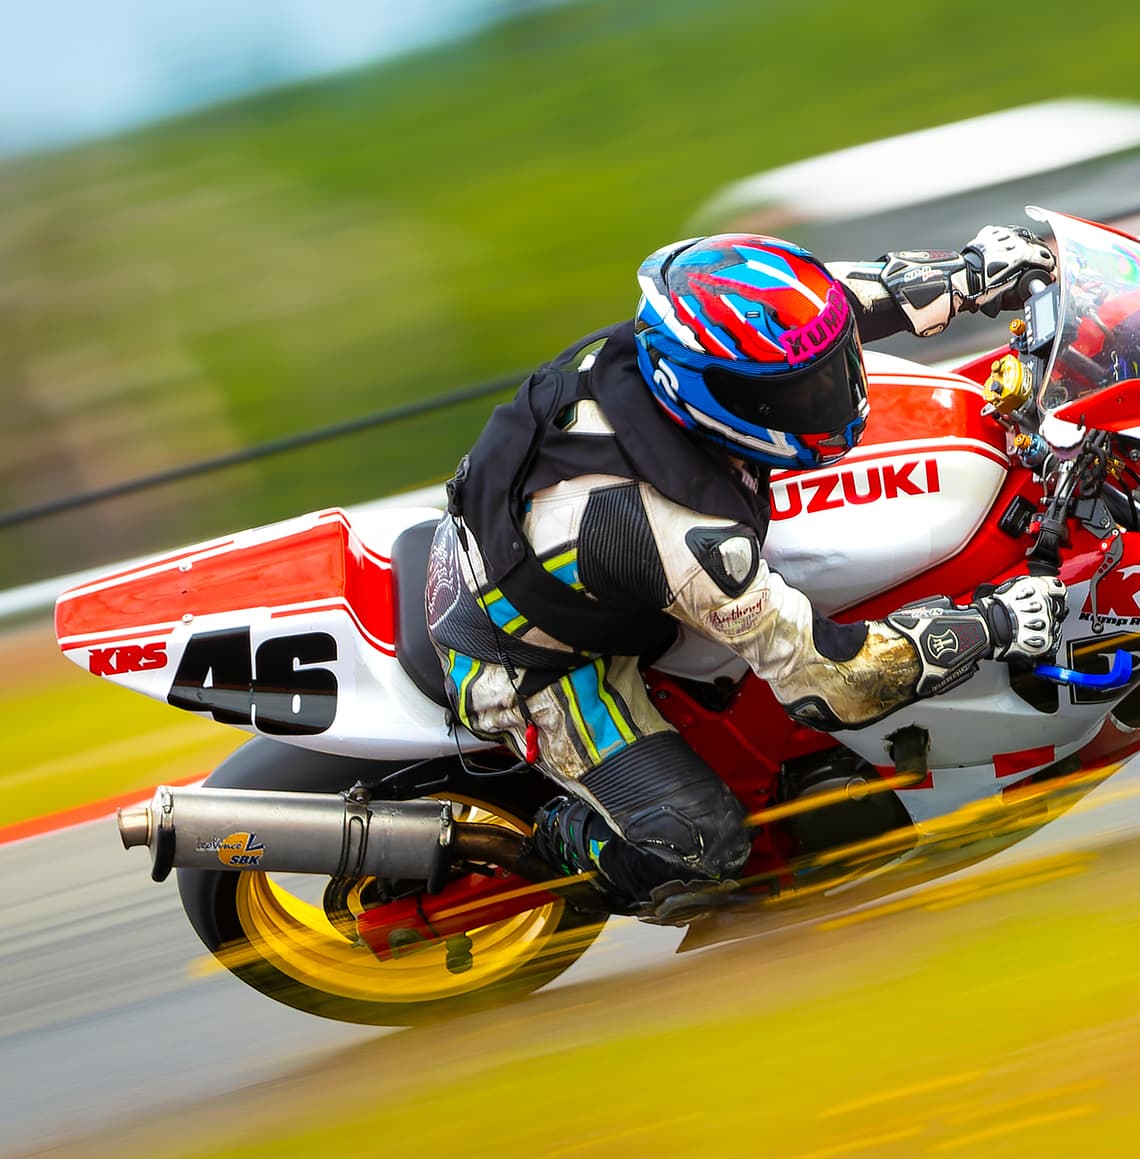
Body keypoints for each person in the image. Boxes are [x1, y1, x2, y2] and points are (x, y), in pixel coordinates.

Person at [425, 225, 1065, 921]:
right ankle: (557, 840)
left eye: (830, 373)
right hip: (521, 656)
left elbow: (829, 311)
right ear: (717, 396)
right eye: (802, 393)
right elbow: (832, 682)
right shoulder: (681, 534)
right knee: (701, 848)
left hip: (539, 541)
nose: (834, 395)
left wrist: (973, 273)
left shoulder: (686, 344)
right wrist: (991, 622)